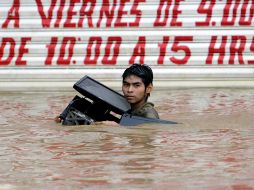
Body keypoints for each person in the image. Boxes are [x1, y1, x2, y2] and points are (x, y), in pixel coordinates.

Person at [55, 63, 159, 124]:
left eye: (136, 85)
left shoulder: (149, 115)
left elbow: (147, 134)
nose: (130, 90)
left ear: (148, 88)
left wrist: (117, 127)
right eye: (126, 85)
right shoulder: (130, 110)